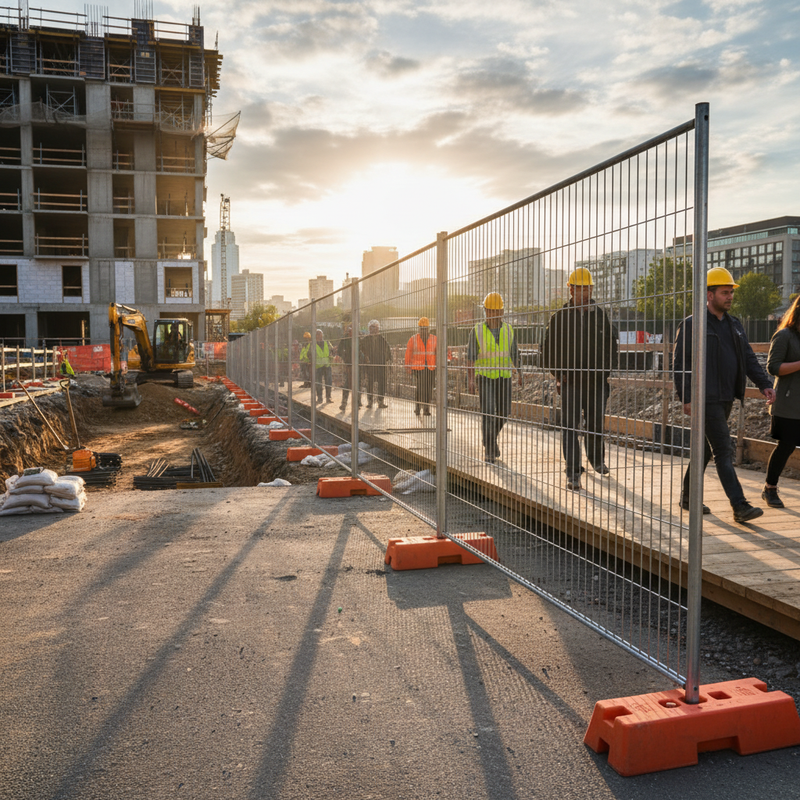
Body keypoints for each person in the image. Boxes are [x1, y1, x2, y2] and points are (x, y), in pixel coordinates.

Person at [673, 267, 775, 523]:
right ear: (709, 295)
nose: (730, 297)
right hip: (703, 397)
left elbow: (749, 359)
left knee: (706, 450)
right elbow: (680, 363)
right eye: (724, 292)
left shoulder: (735, 325)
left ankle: (687, 497)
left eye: (731, 292)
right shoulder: (691, 324)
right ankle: (740, 506)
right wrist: (686, 397)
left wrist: (765, 384)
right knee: (723, 449)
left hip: (726, 396)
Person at [541, 267, 618, 491]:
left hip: (596, 382)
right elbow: (548, 351)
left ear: (592, 289)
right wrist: (559, 374)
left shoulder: (600, 316)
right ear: (571, 290)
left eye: (587, 288)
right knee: (570, 427)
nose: (584, 293)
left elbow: (611, 348)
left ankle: (596, 460)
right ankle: (573, 471)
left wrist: (605, 373)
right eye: (579, 288)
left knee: (595, 424)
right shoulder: (560, 318)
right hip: (571, 383)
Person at [467, 292, 523, 463]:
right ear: (485, 311)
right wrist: (470, 379)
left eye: (496, 310)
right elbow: (470, 357)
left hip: (504, 376)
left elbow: (515, 353)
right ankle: (490, 450)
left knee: (504, 413)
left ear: (502, 311)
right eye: (490, 310)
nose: (493, 314)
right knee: (488, 412)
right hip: (485, 377)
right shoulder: (476, 330)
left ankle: (489, 440)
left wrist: (520, 372)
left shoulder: (508, 329)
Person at [763, 296, 800, 508]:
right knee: (786, 446)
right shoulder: (784, 335)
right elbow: (773, 367)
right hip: (788, 403)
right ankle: (770, 488)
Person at [404, 317, 436, 416]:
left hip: (430, 367)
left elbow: (438, 352)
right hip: (418, 368)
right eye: (421, 328)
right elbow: (408, 354)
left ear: (428, 328)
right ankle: (418, 407)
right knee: (420, 388)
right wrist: (408, 367)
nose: (423, 330)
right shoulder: (413, 339)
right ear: (419, 328)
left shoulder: (434, 339)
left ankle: (426, 409)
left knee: (429, 388)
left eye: (425, 328)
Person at [362, 319, 392, 409]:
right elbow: (360, 350)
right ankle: (370, 401)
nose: (373, 329)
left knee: (382, 383)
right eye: (372, 328)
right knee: (370, 383)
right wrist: (365, 358)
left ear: (378, 328)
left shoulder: (382, 339)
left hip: (380, 364)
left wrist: (386, 360)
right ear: (369, 329)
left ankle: (380, 401)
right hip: (370, 364)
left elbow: (388, 350)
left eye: (375, 327)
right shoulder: (365, 339)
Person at [338, 324, 362, 412]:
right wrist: (345, 358)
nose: (351, 333)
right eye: (350, 331)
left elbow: (363, 349)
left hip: (358, 364)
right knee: (347, 384)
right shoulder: (345, 339)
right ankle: (344, 403)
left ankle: (357, 403)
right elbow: (339, 350)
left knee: (358, 384)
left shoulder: (359, 338)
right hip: (349, 364)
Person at [314, 328, 334, 404]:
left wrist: (332, 354)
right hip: (318, 366)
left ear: (322, 334)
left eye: (320, 333)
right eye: (317, 334)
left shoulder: (327, 343)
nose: (319, 335)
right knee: (318, 383)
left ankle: (328, 397)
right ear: (315, 336)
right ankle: (319, 398)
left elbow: (332, 350)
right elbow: (309, 354)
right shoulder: (313, 344)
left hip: (327, 365)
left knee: (328, 382)